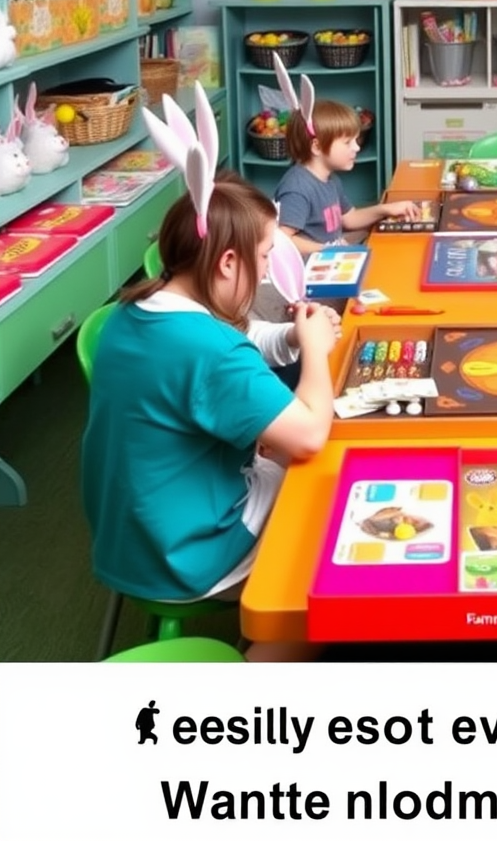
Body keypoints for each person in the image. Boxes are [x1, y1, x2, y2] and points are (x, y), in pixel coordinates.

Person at [81, 175, 339, 661]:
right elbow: (307, 436)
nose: (266, 274)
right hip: (186, 555)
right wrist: (315, 350)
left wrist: (287, 338)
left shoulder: (133, 310)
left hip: (128, 535)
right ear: (227, 262)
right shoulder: (210, 349)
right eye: (264, 258)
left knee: (275, 448)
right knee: (324, 508)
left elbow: (234, 342)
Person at [274, 98, 420, 255]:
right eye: (347, 142)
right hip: (313, 272)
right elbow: (282, 239)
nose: (356, 147)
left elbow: (349, 218)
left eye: (356, 140)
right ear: (317, 147)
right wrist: (328, 250)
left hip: (333, 262)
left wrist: (386, 209)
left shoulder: (330, 179)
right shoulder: (297, 188)